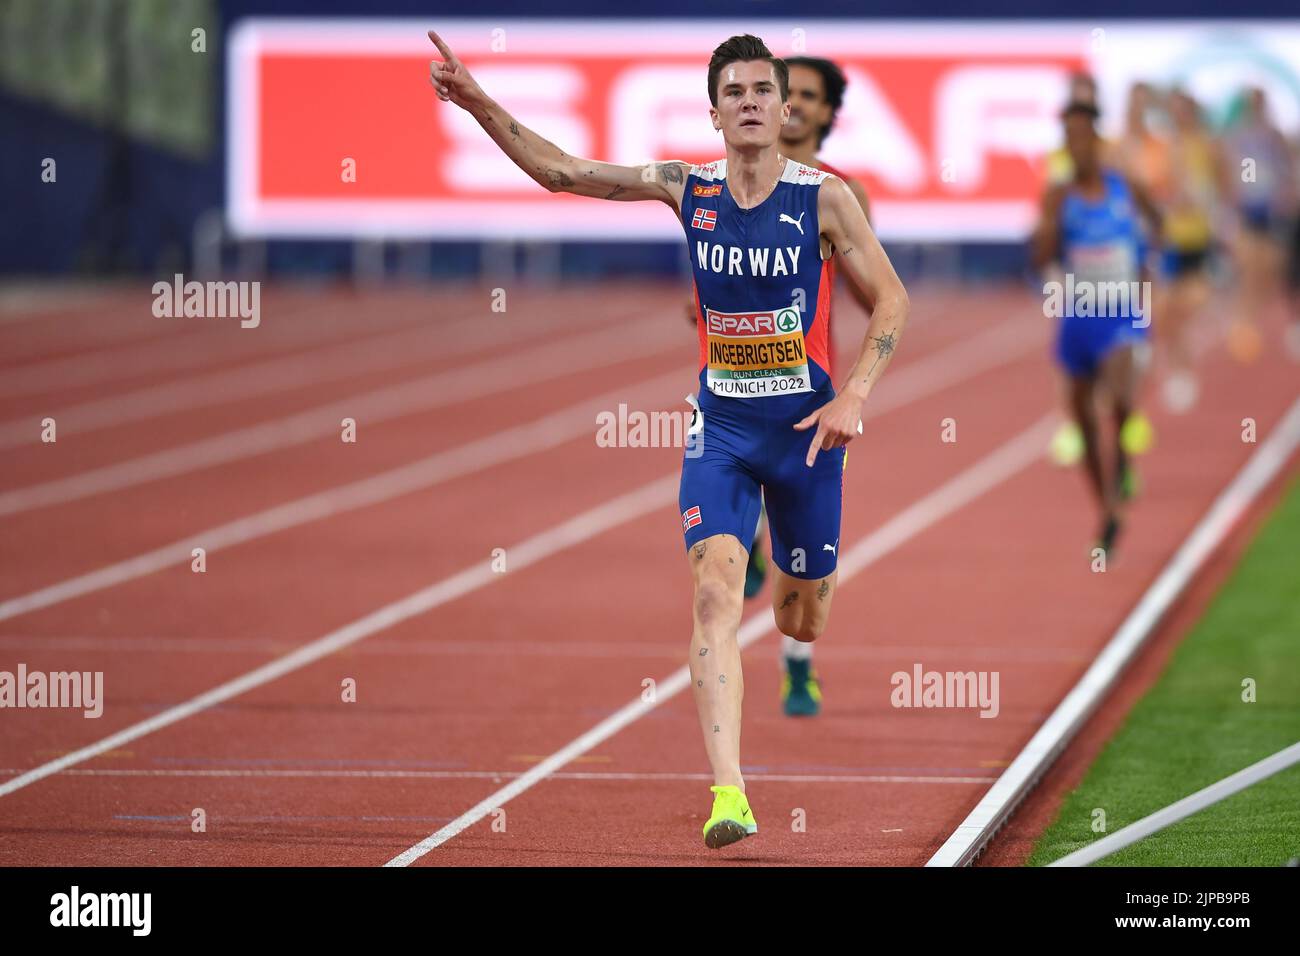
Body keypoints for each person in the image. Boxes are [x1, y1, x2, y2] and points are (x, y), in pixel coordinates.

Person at [428, 31, 910, 848]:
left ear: (784, 108)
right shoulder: (686, 187)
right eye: (737, 92)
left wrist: (854, 395)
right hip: (719, 430)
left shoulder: (824, 199)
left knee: (801, 623)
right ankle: (730, 794)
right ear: (714, 110)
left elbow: (892, 302)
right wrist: (476, 102)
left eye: (765, 91)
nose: (752, 103)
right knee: (716, 597)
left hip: (805, 436)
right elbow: (563, 172)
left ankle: (790, 571)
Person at [1032, 101, 1161, 555]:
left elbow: (1156, 224)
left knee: (1122, 399)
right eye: (1070, 137)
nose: (1078, 145)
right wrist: (1048, 225)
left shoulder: (1126, 189)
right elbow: (1041, 256)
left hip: (1122, 314)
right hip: (1078, 317)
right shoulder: (1059, 196)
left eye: (1085, 136)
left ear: (1098, 141)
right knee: (1084, 421)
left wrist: (1146, 263)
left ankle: (1122, 462)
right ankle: (1107, 510)